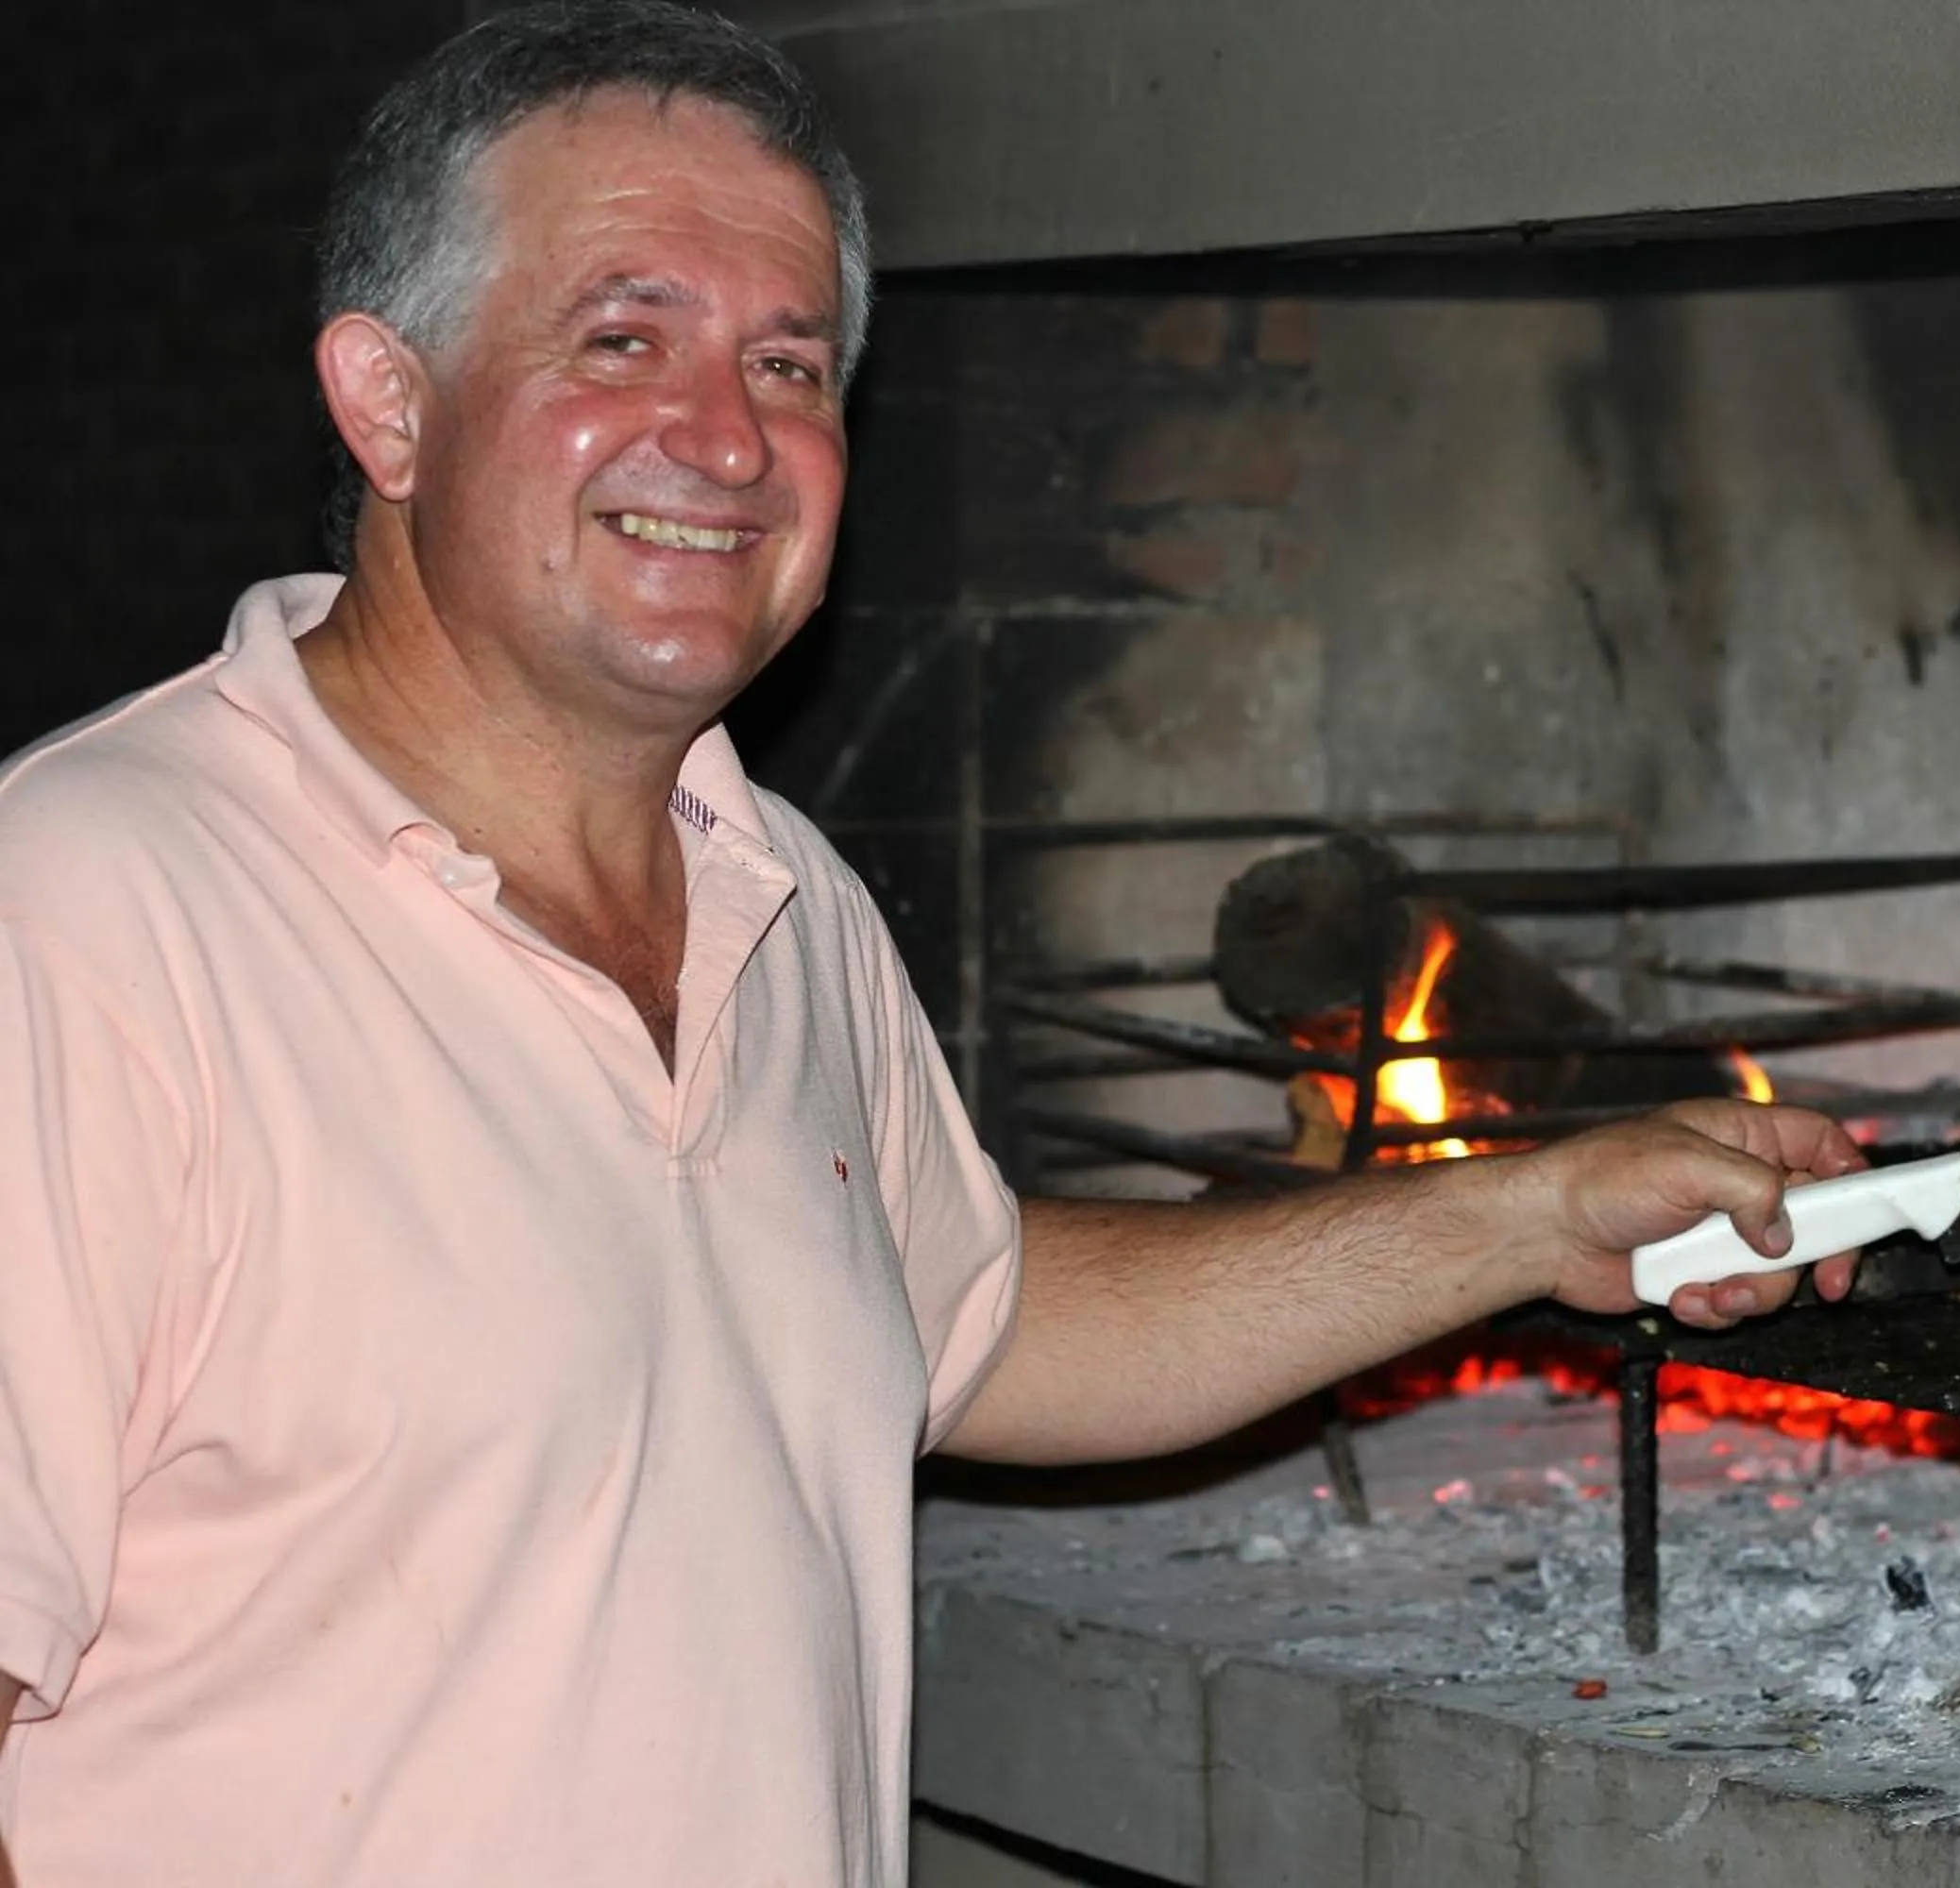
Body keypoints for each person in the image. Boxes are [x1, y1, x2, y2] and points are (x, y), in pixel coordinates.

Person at [0, 5, 1864, 1882]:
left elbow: (990, 1322)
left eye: (792, 364)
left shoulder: (777, 891)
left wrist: (1536, 1219)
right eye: (622, 337)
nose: (725, 437)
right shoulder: (84, 911)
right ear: (388, 400)